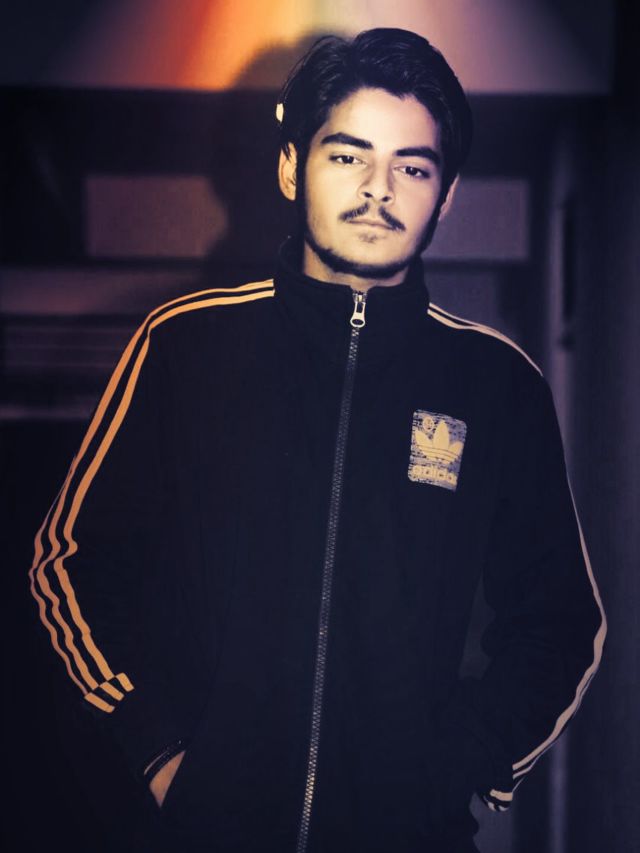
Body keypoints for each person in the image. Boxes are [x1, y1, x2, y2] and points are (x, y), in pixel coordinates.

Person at [29, 28, 606, 853]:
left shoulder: (499, 385)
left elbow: (560, 621)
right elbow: (68, 562)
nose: (379, 189)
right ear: (291, 167)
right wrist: (160, 752)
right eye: (347, 156)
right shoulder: (184, 346)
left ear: (445, 196)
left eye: (413, 167)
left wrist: (460, 764)